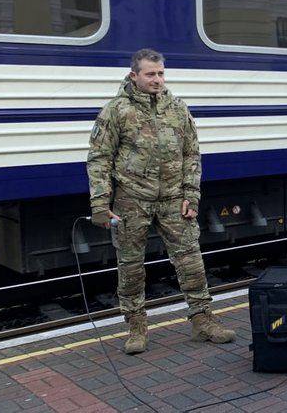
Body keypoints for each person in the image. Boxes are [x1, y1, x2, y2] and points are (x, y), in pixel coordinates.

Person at [87, 48, 235, 354]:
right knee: (130, 267)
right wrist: (100, 203)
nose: (158, 80)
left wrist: (191, 195)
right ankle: (136, 326)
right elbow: (99, 159)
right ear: (134, 76)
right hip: (131, 200)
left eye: (161, 73)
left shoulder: (177, 108)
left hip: (173, 200)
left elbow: (191, 154)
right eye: (150, 74)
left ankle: (202, 321)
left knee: (191, 261)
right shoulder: (116, 111)